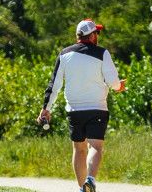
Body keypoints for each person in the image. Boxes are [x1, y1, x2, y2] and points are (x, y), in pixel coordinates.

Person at [38, 19, 125, 192]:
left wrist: (46, 109)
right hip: (97, 108)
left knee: (79, 149)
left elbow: (54, 85)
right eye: (97, 33)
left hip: (74, 110)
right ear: (92, 35)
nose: (98, 36)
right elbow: (114, 83)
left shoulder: (64, 54)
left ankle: (82, 188)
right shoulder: (102, 53)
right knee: (96, 147)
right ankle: (90, 180)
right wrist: (119, 86)